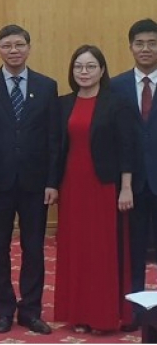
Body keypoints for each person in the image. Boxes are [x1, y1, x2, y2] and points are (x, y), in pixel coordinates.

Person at [0, 25, 58, 335]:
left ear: (29, 47)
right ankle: (3, 310)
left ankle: (30, 310)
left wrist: (52, 181)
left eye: (19, 45)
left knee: (33, 248)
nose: (13, 50)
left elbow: (54, 139)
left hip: (35, 184)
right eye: (7, 46)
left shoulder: (46, 85)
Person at [55, 44, 138, 333]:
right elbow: (57, 149)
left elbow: (127, 148)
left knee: (102, 252)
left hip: (104, 186)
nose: (84, 72)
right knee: (76, 250)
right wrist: (52, 185)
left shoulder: (116, 103)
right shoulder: (63, 103)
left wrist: (126, 187)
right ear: (72, 71)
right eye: (79, 66)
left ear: (102, 70)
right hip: (72, 186)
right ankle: (78, 312)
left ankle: (103, 315)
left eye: (91, 66)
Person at [112, 18, 157, 329]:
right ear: (130, 47)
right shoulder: (115, 86)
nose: (146, 49)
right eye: (140, 43)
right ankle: (136, 312)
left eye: (152, 43)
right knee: (133, 251)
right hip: (131, 184)